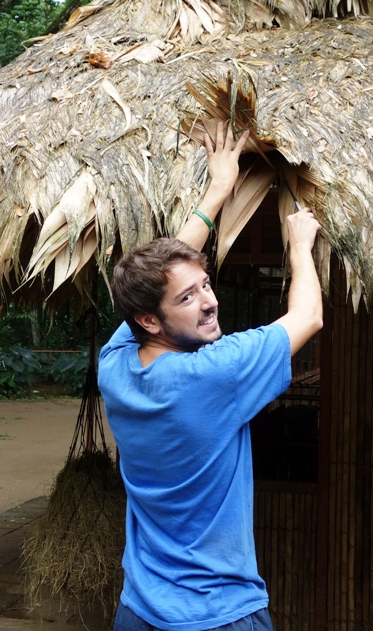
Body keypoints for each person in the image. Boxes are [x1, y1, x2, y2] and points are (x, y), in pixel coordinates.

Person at [98, 121, 323, 631]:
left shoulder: (115, 364)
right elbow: (308, 317)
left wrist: (218, 190)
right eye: (189, 297)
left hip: (139, 608)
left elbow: (161, 278)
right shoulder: (213, 374)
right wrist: (299, 248)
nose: (209, 302)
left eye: (206, 284)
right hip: (217, 614)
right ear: (149, 321)